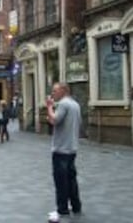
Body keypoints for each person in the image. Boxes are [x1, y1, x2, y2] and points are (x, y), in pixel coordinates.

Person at [46, 82, 82, 217]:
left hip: (61, 149)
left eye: (55, 91)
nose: (53, 93)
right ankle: (76, 205)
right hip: (72, 148)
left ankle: (62, 209)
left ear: (63, 90)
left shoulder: (63, 104)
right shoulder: (75, 104)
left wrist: (49, 106)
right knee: (71, 179)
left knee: (61, 181)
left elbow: (55, 120)